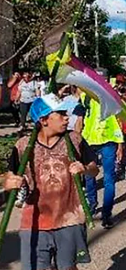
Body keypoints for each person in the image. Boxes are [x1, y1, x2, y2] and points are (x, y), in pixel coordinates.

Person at [2, 94, 98, 270]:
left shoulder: (75, 140)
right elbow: (8, 176)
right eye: (60, 114)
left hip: (69, 219)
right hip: (34, 221)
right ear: (44, 120)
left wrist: (84, 168)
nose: (66, 117)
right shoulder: (23, 146)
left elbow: (95, 169)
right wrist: (8, 183)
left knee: (67, 267)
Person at [82, 74, 125, 229]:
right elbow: (80, 117)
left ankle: (106, 214)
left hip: (109, 140)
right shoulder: (85, 94)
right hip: (89, 140)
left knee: (109, 179)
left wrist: (120, 144)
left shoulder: (112, 95)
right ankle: (92, 205)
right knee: (89, 176)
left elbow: (119, 118)